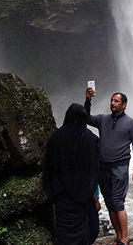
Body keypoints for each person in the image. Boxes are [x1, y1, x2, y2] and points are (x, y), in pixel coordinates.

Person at [84, 89, 133, 245]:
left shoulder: (131, 123)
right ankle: (118, 236)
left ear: (124, 104)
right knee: (109, 203)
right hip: (103, 167)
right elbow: (86, 118)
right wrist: (88, 100)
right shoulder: (103, 119)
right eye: (111, 100)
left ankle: (125, 237)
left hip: (120, 167)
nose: (112, 103)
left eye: (116, 101)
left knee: (117, 202)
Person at [43, 103, 102, 245]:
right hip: (84, 195)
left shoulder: (56, 138)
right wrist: (94, 194)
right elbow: (95, 166)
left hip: (62, 196)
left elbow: (49, 167)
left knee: (64, 231)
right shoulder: (90, 138)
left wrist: (52, 192)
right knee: (86, 230)